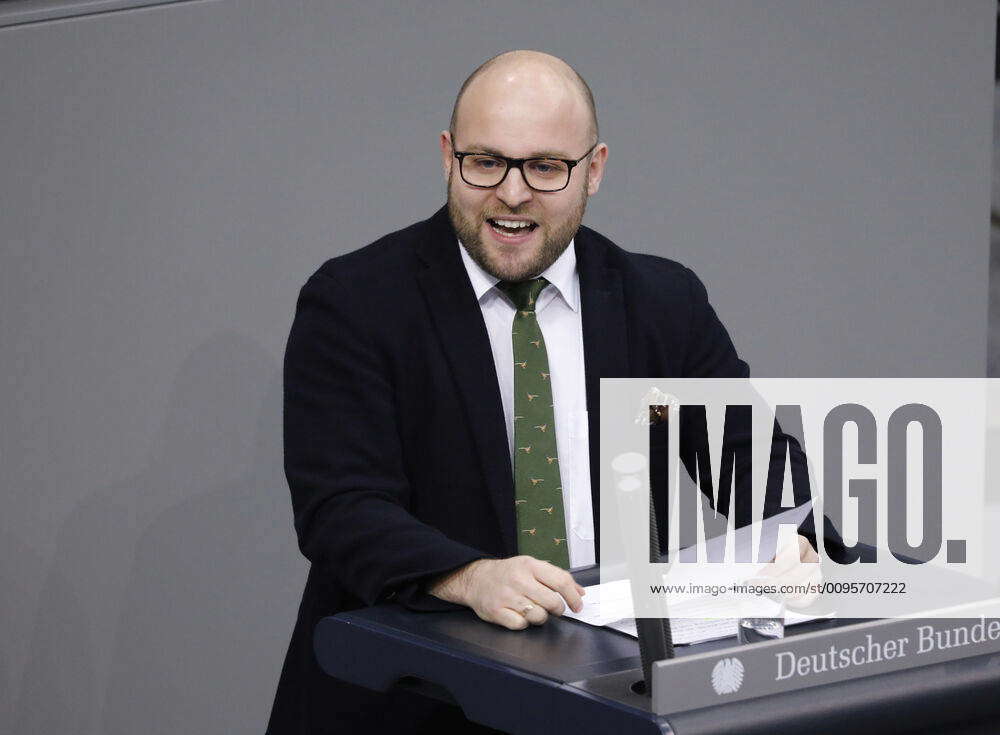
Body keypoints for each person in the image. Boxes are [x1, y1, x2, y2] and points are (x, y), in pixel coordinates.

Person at [266, 50, 819, 734]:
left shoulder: (660, 301)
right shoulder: (355, 301)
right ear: (448, 156)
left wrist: (798, 538)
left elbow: (755, 466)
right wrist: (468, 575)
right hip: (412, 702)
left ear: (595, 169)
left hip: (605, 697)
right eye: (487, 161)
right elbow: (340, 508)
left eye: (546, 167)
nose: (513, 193)